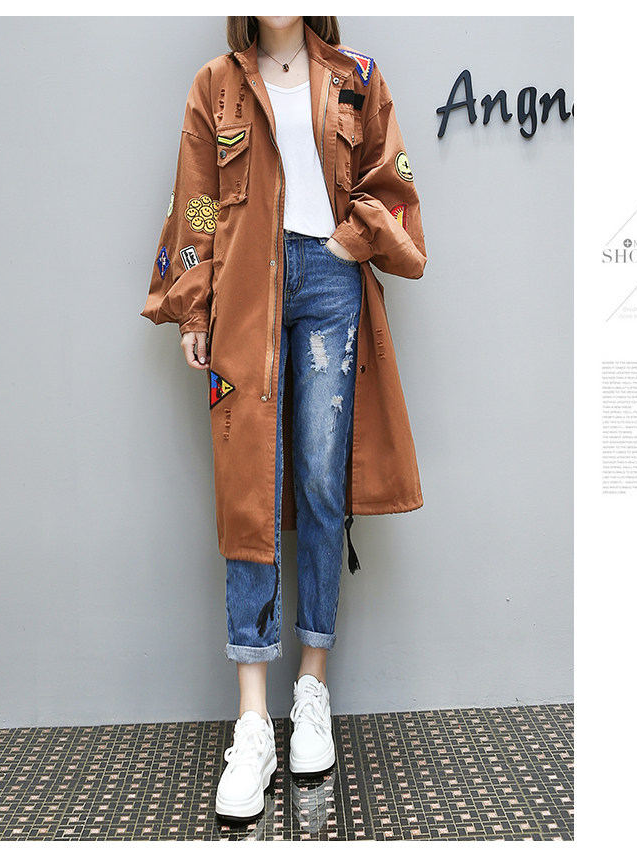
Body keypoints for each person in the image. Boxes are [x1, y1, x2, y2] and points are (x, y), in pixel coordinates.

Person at [141, 15, 427, 821]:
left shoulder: (357, 75)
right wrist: (194, 307)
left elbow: (390, 183)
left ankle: (312, 687)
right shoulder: (215, 84)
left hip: (330, 283)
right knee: (250, 487)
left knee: (319, 475)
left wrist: (346, 240)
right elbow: (197, 204)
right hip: (244, 289)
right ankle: (252, 720)